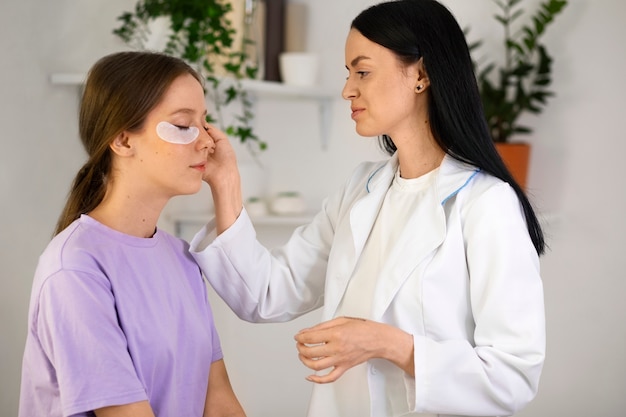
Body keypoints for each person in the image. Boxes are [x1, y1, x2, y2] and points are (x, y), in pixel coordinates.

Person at [196, 0, 546, 416]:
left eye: (362, 71)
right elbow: (268, 294)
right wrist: (226, 183)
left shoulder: (486, 203)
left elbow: (512, 376)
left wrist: (386, 343)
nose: (347, 89)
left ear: (420, 74)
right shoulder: (361, 191)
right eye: (349, 74)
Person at [19, 51, 246, 417]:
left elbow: (218, 401)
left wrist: (227, 182)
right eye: (184, 125)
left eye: (205, 123)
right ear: (123, 141)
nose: (207, 141)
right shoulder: (75, 269)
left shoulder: (181, 258)